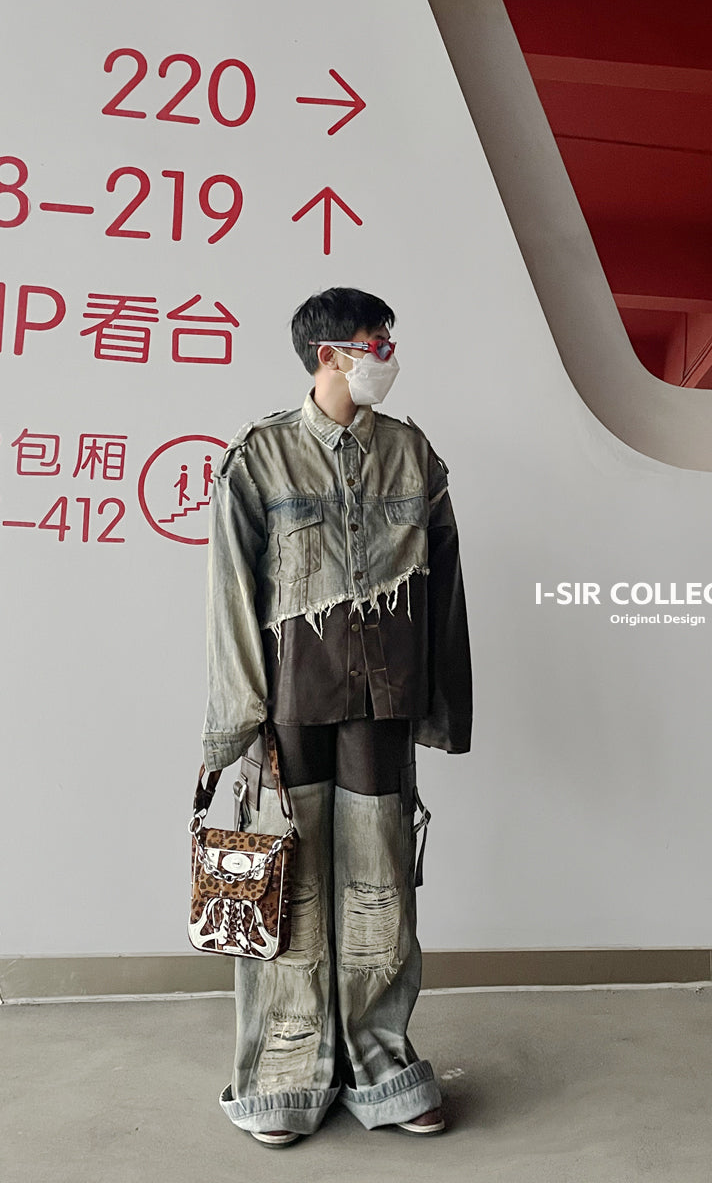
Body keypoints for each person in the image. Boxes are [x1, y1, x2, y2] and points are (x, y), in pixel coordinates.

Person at [201, 286, 472, 1147]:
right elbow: (231, 597)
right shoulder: (260, 458)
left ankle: (381, 1064)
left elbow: (445, 588)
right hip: (288, 710)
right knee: (290, 890)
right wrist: (235, 723)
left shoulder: (413, 456)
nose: (387, 354)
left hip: (380, 710)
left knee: (380, 888)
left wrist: (442, 704)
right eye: (375, 341)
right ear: (330, 355)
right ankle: (284, 1072)